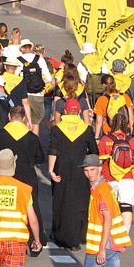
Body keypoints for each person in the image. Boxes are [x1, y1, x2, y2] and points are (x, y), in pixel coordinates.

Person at [0, 105, 46, 251]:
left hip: (6, 175)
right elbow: (40, 157)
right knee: (31, 207)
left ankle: (10, 236)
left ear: (10, 117)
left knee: (8, 207)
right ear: (24, 119)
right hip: (27, 175)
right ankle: (36, 239)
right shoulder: (31, 137)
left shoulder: (1, 135)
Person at [48, 99, 97, 250]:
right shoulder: (87, 129)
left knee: (61, 201)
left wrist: (51, 170)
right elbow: (94, 151)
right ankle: (80, 235)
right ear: (78, 112)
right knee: (80, 202)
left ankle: (60, 234)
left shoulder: (57, 129)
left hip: (61, 169)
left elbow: (53, 151)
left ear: (65, 111)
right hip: (80, 171)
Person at [97, 113, 134, 234]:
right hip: (128, 177)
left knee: (110, 206)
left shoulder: (105, 140)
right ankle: (124, 233)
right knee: (126, 205)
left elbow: (100, 160)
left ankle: (109, 231)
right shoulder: (130, 140)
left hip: (110, 177)